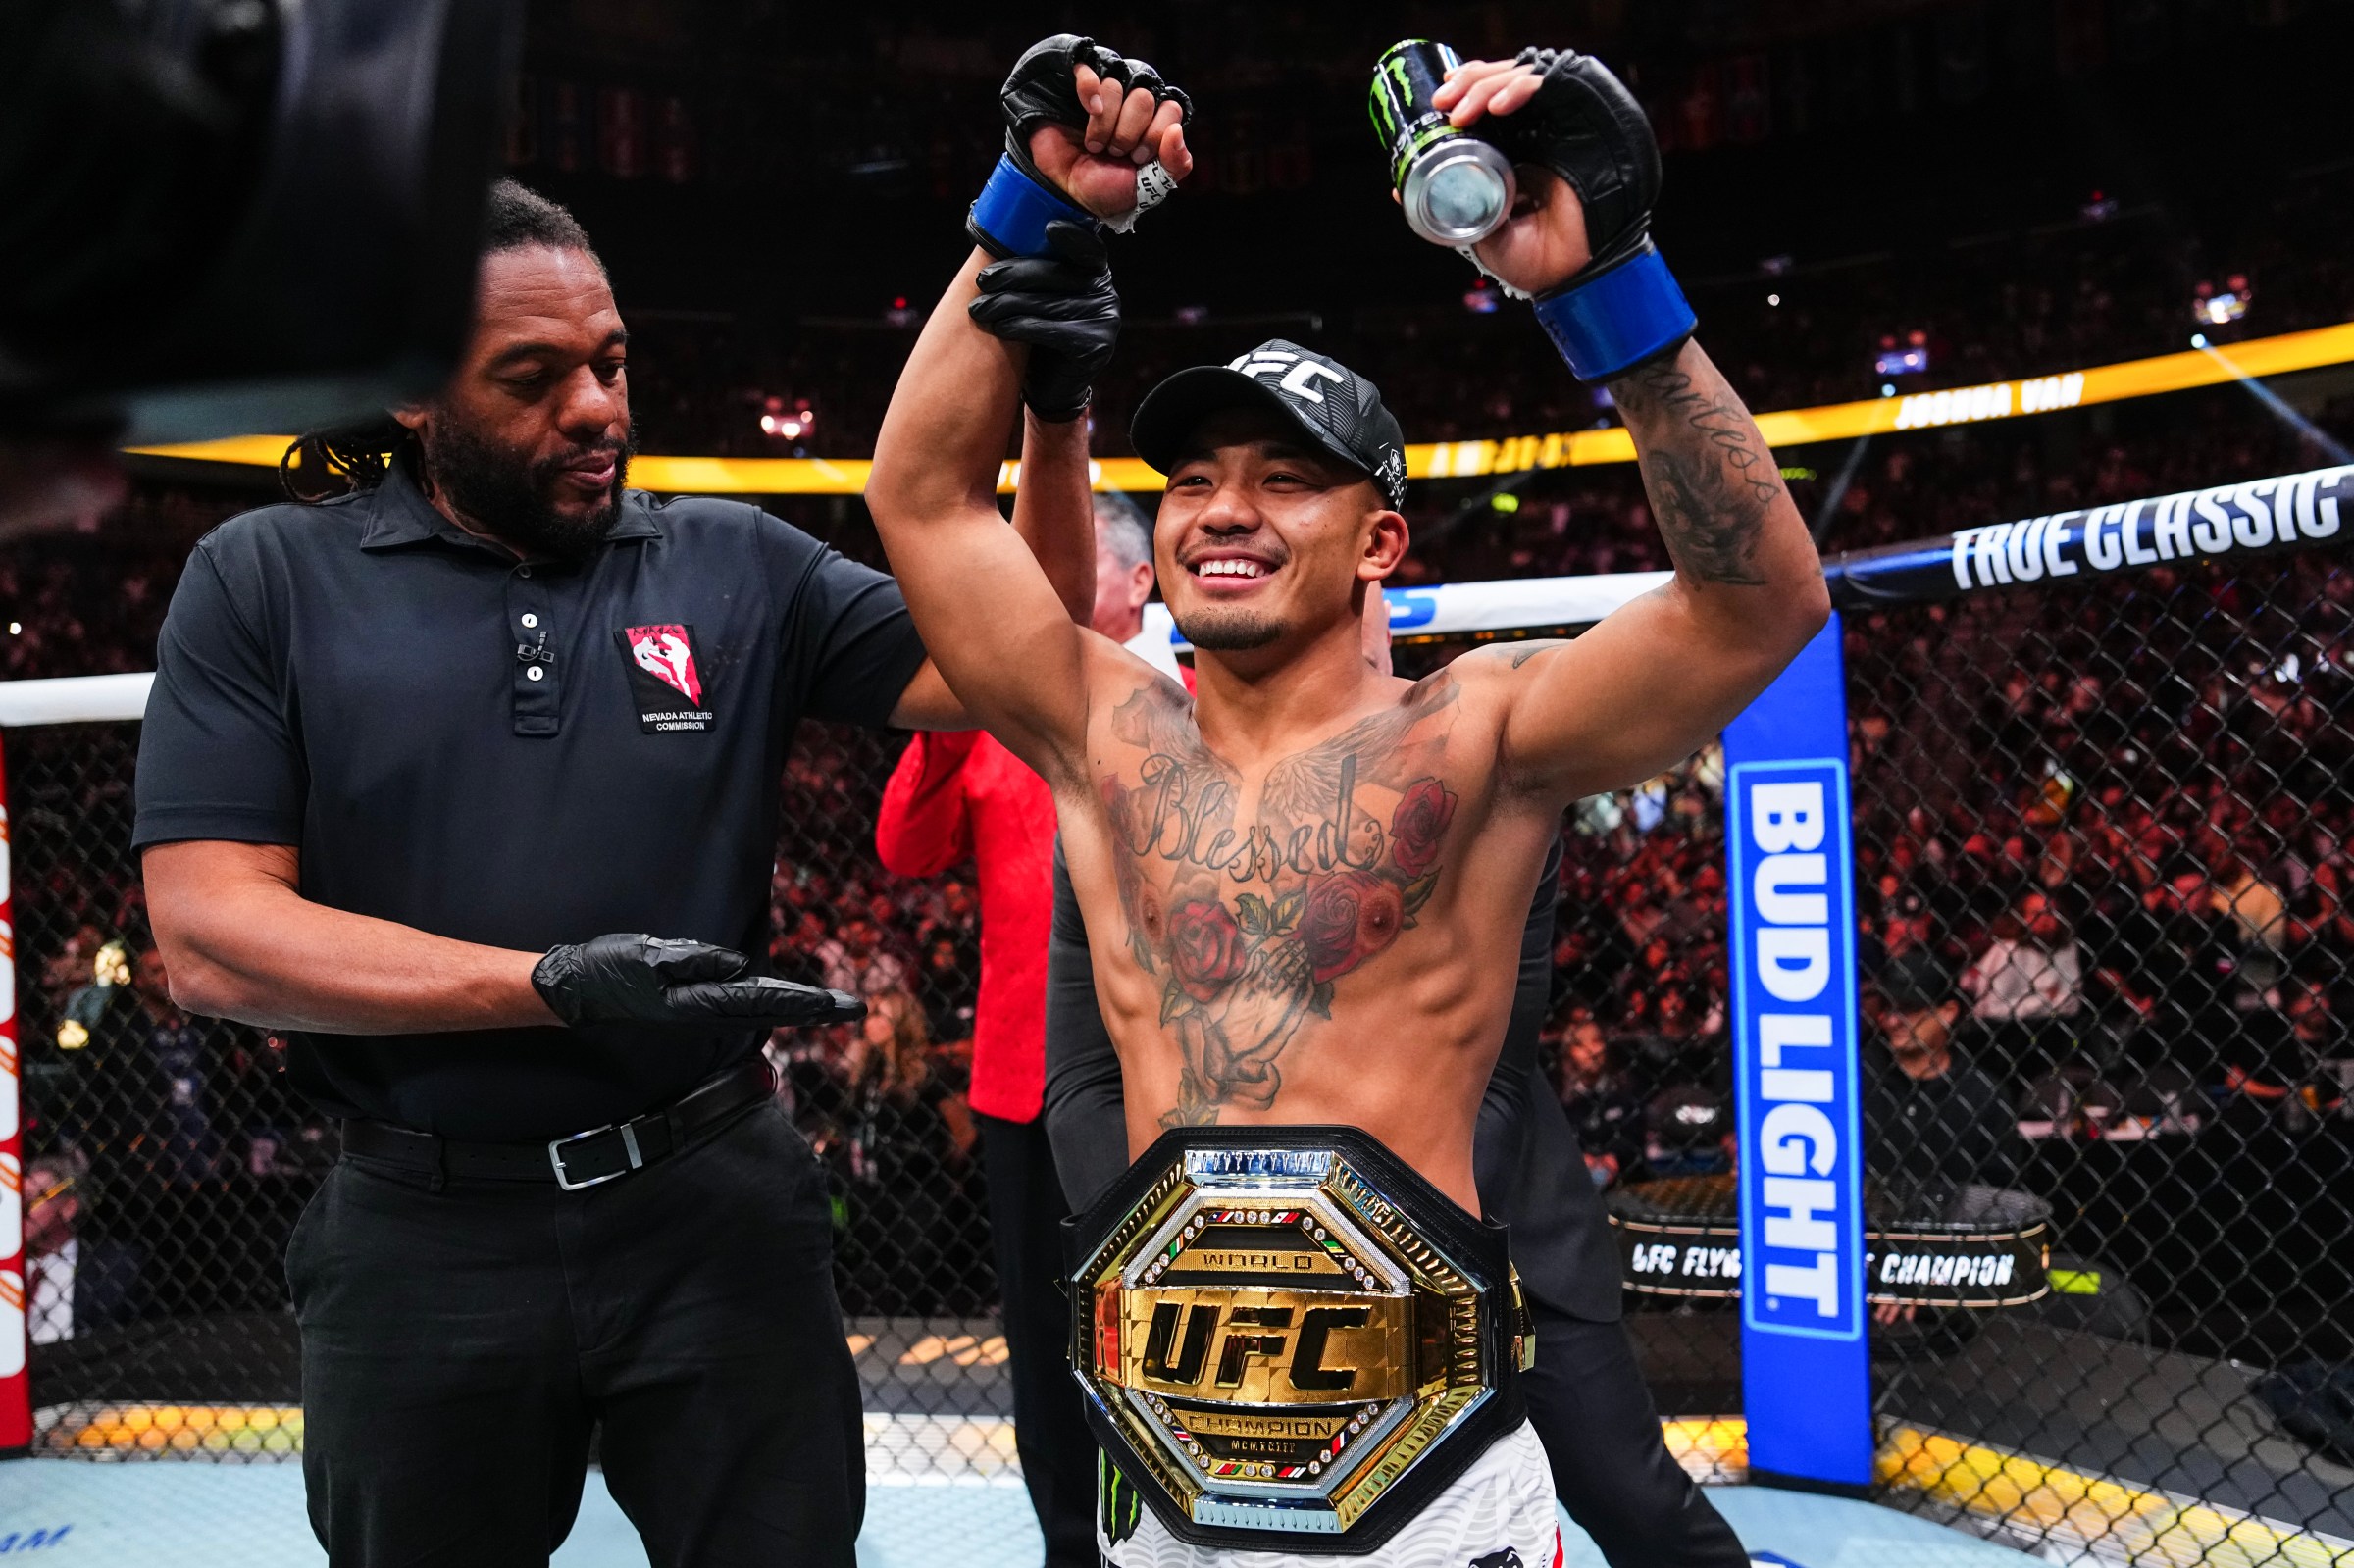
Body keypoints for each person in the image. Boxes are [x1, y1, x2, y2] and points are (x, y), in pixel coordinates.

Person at [866, 36, 1825, 1568]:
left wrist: (1611, 290)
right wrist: (1023, 209)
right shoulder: (1103, 728)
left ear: (1380, 541)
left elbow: (1757, 604)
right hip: (1169, 1471)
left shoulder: (1486, 730)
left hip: (1426, 1484)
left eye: (1285, 478)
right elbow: (918, 498)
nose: (1226, 509)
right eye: (1193, 479)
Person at [134, 178, 1099, 1566]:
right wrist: (550, 986)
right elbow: (212, 935)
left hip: (715, 1208)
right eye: (533, 377)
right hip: (421, 1232)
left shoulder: (734, 559)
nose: (596, 406)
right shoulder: (264, 578)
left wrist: (1054, 421)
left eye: (613, 360)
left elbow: (1027, 664)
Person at [873, 488, 1166, 1568]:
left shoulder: (1201, 700)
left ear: (1138, 583)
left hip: (1175, 1084)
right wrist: (958, 707)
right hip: (1024, 1084)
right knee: (1049, 1358)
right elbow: (905, 848)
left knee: (1176, 1339)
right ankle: (1067, 1553)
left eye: (1072, 559)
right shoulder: (1001, 717)